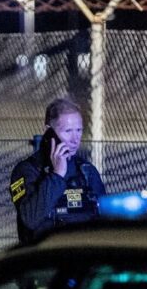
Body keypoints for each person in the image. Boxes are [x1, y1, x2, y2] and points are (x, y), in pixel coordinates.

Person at [9, 97, 106, 244]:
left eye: (79, 130)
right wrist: (57, 175)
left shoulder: (86, 171)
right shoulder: (27, 170)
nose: (75, 139)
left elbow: (104, 219)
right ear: (49, 132)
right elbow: (30, 219)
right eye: (68, 131)